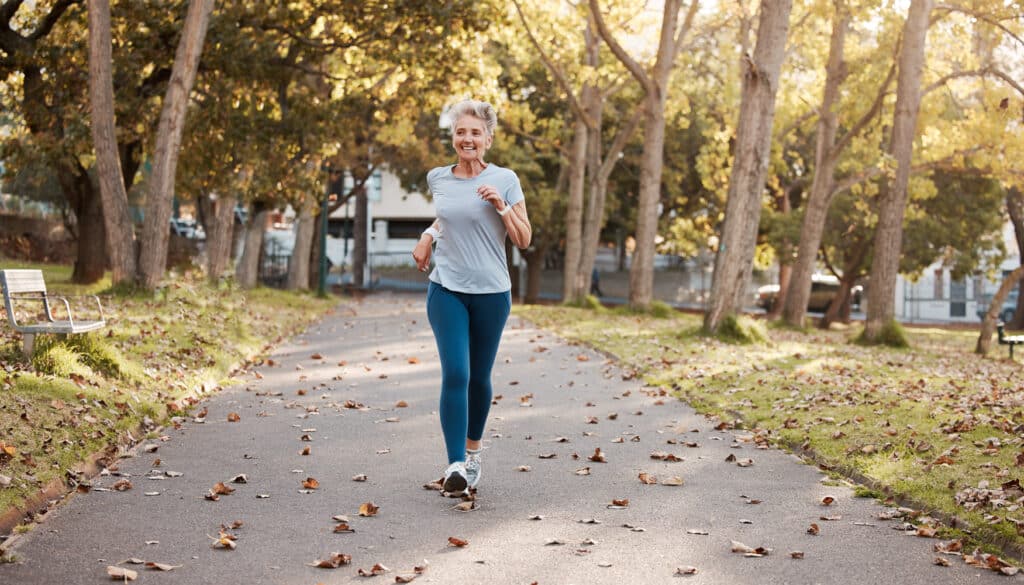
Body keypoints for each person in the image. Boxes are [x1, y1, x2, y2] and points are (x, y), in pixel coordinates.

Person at [412, 99, 532, 496]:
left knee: (479, 377)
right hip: (446, 288)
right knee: (457, 374)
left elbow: (524, 238)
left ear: (488, 139)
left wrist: (500, 205)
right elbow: (449, 216)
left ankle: (473, 451)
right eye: (461, 132)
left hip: (492, 293)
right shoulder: (438, 178)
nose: (468, 139)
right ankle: (455, 467)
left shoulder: (506, 178)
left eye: (475, 133)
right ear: (453, 137)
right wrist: (428, 235)